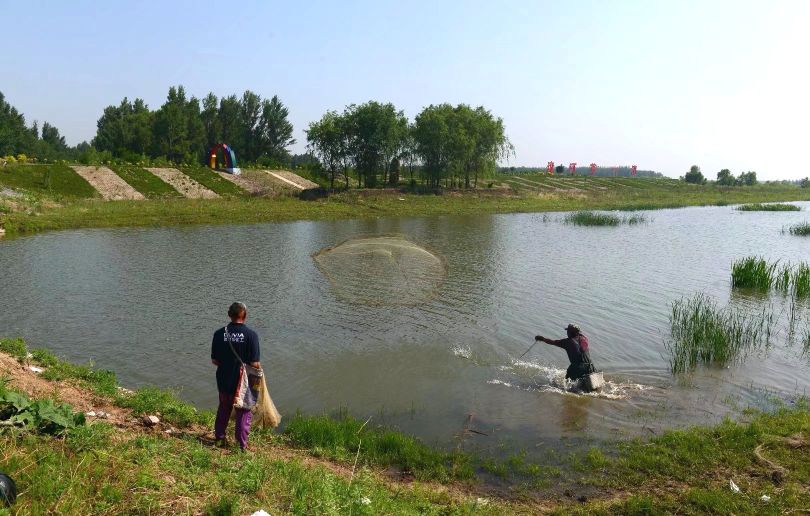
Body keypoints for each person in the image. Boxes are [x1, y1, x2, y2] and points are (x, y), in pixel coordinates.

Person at [211, 302, 261, 451]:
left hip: (223, 378)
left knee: (224, 408)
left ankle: (220, 438)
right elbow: (255, 363)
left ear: (229, 315)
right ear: (245, 315)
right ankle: (241, 446)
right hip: (243, 382)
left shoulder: (219, 334)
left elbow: (215, 360)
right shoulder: (251, 335)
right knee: (244, 411)